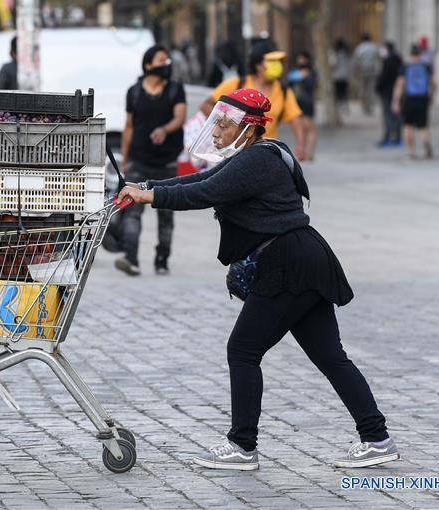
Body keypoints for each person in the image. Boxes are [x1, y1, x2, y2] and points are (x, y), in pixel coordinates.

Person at [116, 88, 397, 471]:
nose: (215, 131)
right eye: (216, 122)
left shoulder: (257, 161)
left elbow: (204, 193)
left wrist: (148, 198)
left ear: (249, 128)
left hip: (287, 264)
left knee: (243, 350)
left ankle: (242, 446)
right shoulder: (252, 156)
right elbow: (198, 180)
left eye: (224, 124)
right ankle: (376, 438)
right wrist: (145, 187)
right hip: (303, 259)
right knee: (331, 356)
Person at [116, 45, 186, 276]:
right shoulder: (134, 92)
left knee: (166, 213)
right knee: (132, 212)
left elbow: (179, 117)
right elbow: (129, 127)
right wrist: (125, 162)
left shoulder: (175, 90)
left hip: (166, 163)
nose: (166, 64)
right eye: (161, 60)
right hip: (138, 160)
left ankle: (162, 259)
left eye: (167, 60)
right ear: (148, 65)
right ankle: (131, 258)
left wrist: (165, 130)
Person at [200, 43, 306, 159]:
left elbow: (296, 120)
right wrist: (226, 123)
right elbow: (206, 105)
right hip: (235, 151)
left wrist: (300, 146)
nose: (278, 65)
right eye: (272, 62)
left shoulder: (283, 91)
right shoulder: (237, 84)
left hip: (266, 151)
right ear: (258, 65)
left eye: (279, 62)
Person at [392, 44, 435, 159]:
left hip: (409, 99)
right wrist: (431, 94)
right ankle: (425, 141)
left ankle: (411, 151)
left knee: (408, 125)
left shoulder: (405, 67)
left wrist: (396, 101)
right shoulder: (426, 66)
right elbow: (434, 83)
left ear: (410, 54)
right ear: (420, 54)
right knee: (423, 125)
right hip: (423, 98)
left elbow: (400, 84)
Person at [286, 50, 317, 161]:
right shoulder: (293, 72)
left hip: (307, 103)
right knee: (301, 129)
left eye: (303, 58)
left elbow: (312, 85)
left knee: (310, 128)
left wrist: (302, 77)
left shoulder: (311, 72)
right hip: (296, 103)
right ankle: (302, 153)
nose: (301, 60)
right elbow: (288, 86)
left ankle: (309, 153)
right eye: (299, 58)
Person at [376, 41, 403, 147]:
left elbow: (383, 77)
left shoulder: (387, 61)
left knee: (388, 115)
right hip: (397, 91)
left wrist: (378, 87)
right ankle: (397, 137)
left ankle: (389, 137)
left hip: (387, 92)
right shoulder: (399, 59)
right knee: (397, 115)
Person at [351, 33, 380, 115]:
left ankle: (364, 107)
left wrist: (355, 72)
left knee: (363, 89)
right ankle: (370, 107)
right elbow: (378, 58)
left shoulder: (359, 48)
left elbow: (356, 60)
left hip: (362, 71)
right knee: (371, 89)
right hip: (373, 70)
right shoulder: (374, 47)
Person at [331, 38, 350, 115]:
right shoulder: (347, 54)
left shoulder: (334, 54)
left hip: (336, 76)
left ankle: (338, 107)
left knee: (337, 92)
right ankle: (344, 107)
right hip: (345, 76)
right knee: (344, 92)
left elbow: (332, 64)